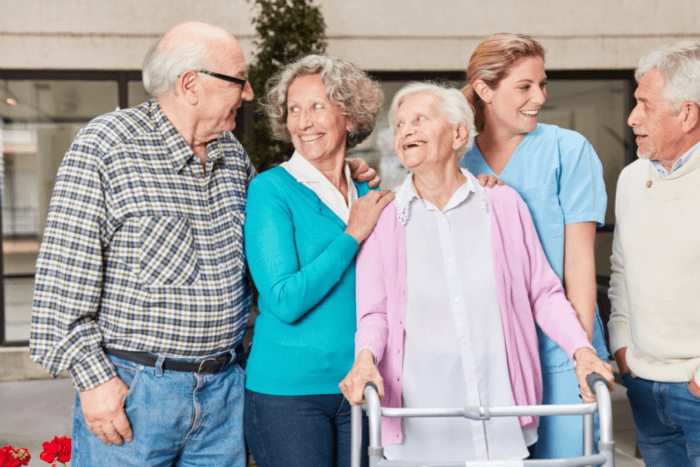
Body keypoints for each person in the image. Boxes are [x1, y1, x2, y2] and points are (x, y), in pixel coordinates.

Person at [28, 23, 377, 467]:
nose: (249, 94)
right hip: (136, 390)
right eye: (239, 80)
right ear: (191, 85)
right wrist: (95, 382)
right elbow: (61, 282)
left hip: (223, 396)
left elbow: (276, 251)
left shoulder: (233, 158)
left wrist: (344, 175)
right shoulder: (107, 145)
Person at [339, 82, 614, 463]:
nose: (406, 131)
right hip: (418, 419)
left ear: (458, 134)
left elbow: (543, 293)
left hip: (499, 412)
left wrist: (581, 352)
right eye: (400, 125)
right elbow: (375, 313)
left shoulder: (502, 205)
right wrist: (365, 358)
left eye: (420, 119)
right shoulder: (384, 219)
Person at [458, 33, 610, 459]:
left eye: (542, 84)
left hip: (561, 347)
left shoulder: (569, 150)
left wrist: (579, 353)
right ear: (485, 90)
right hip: (495, 349)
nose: (539, 97)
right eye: (524, 87)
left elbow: (579, 264)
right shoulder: (459, 162)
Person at [243, 55, 393, 467]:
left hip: (363, 386)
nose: (303, 121)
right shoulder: (271, 189)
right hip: (288, 393)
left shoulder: (367, 187)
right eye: (294, 109)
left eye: (317, 106)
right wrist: (351, 236)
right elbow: (283, 299)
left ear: (349, 113)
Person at [608, 41, 700, 467]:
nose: (632, 118)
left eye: (645, 104)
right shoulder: (631, 179)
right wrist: (622, 345)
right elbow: (621, 270)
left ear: (687, 113)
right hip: (644, 386)